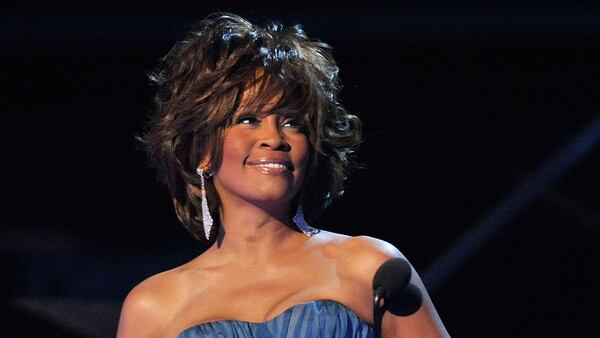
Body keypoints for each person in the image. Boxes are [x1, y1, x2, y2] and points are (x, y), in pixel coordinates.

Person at [117, 12, 450, 338]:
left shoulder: (371, 267)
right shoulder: (155, 306)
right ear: (201, 150)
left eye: (293, 123)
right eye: (248, 119)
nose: (275, 139)